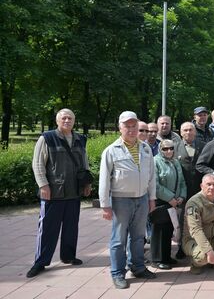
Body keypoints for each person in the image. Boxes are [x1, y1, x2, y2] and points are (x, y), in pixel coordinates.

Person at [26, 109, 92, 278]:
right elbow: (38, 163)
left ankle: (68, 256)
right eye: (64, 118)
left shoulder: (80, 139)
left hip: (74, 191)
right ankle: (40, 262)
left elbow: (85, 163)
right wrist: (43, 185)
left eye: (70, 118)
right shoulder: (47, 138)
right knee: (47, 228)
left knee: (71, 227)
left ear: (74, 121)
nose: (67, 120)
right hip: (53, 192)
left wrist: (87, 183)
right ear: (57, 120)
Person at [99, 111, 157, 289]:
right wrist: (105, 205)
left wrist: (152, 198)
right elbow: (104, 180)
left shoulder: (145, 148)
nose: (131, 130)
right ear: (120, 128)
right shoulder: (111, 151)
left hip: (142, 198)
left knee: (139, 237)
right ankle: (117, 273)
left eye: (134, 126)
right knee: (119, 239)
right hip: (120, 200)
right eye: (127, 126)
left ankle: (138, 267)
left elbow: (152, 176)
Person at [151, 139, 187, 270]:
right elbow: (155, 184)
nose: (169, 151)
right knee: (159, 230)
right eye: (165, 149)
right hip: (161, 201)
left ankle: (166, 257)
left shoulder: (176, 162)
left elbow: (182, 181)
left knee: (168, 230)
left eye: (171, 148)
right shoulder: (155, 161)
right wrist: (169, 197)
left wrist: (181, 196)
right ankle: (157, 259)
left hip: (174, 202)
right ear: (160, 149)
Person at [175, 121, 204, 258]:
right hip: (183, 191)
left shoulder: (203, 146)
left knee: (201, 218)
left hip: (200, 189)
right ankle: (181, 247)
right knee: (182, 220)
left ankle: (201, 244)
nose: (188, 132)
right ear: (181, 133)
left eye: (191, 130)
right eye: (185, 130)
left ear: (195, 132)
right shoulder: (174, 148)